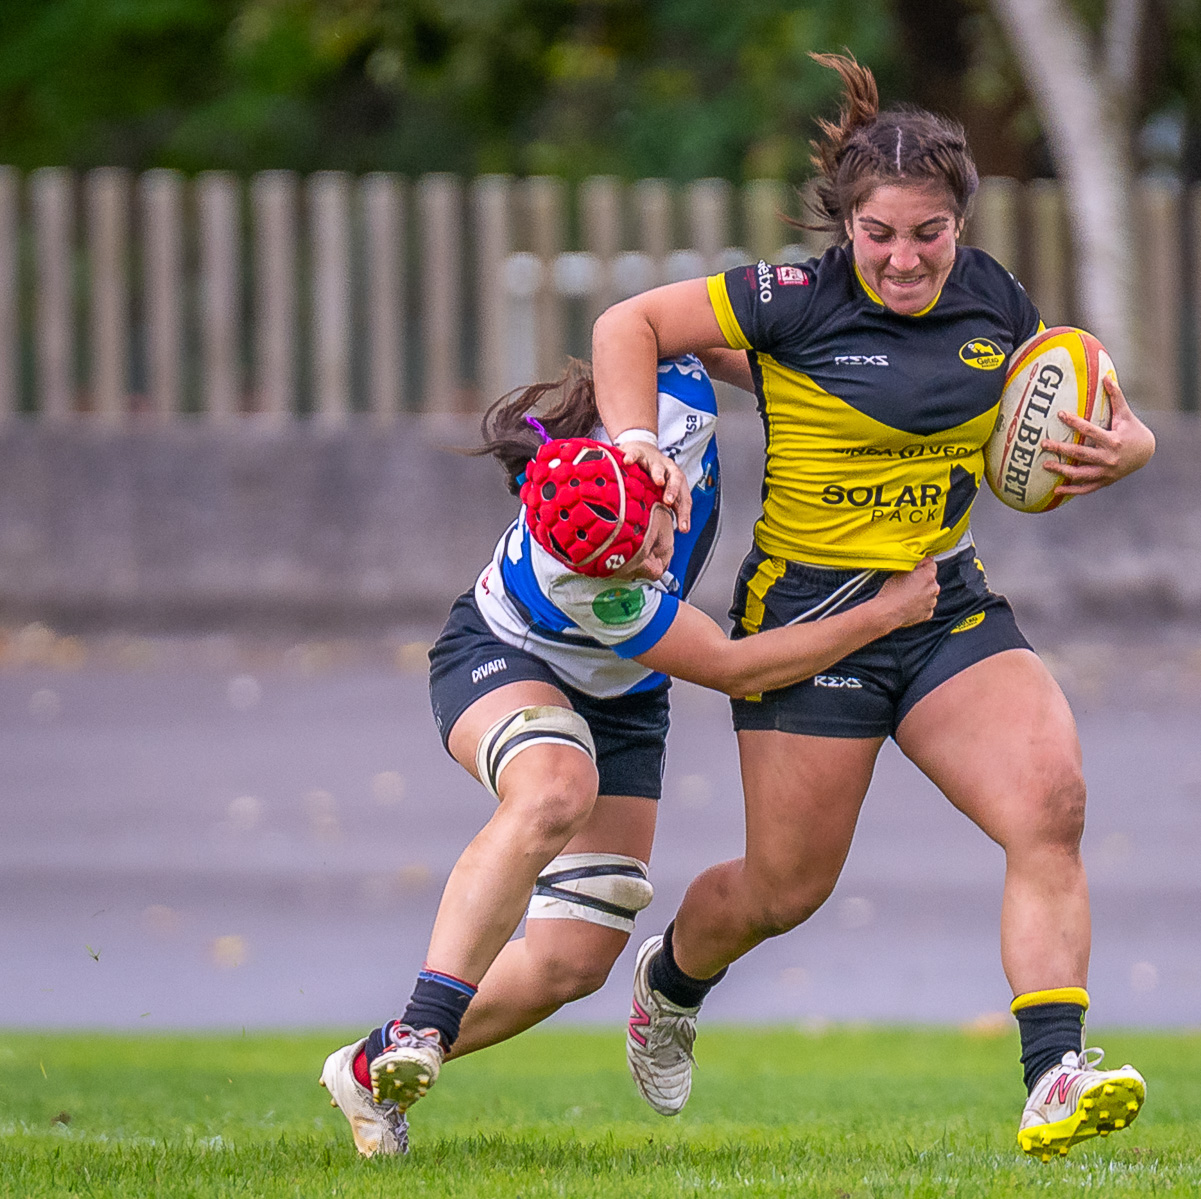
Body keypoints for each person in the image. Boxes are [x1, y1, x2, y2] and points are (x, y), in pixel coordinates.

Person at [588, 54, 1157, 1159]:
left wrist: (1130, 447)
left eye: (929, 233)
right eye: (880, 233)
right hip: (807, 625)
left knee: (1051, 801)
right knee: (783, 888)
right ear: (847, 223)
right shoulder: (789, 301)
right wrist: (638, 447)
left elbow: (1065, 438)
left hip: (943, 604)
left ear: (962, 222)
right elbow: (627, 325)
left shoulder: (1002, 305)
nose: (904, 258)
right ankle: (669, 980)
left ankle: (1055, 1075)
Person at [318, 355, 939, 1157]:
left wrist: (852, 404)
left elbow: (652, 328)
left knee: (573, 962)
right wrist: (885, 613)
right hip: (509, 657)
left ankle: (370, 1068)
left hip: (625, 700)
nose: (655, 568)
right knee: (554, 785)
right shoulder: (584, 584)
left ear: (647, 478)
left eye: (646, 547)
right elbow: (735, 667)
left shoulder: (672, 408)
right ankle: (424, 1023)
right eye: (632, 570)